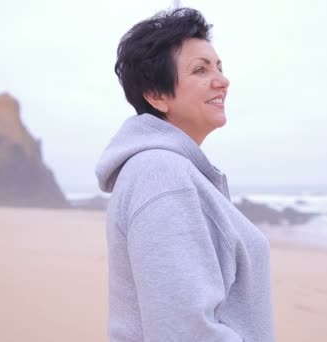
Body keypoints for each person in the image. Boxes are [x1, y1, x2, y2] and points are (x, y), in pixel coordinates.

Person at [95, 7, 275, 342]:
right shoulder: (161, 175)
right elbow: (186, 332)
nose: (222, 80)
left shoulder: (169, 171)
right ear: (157, 95)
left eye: (219, 67)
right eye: (200, 70)